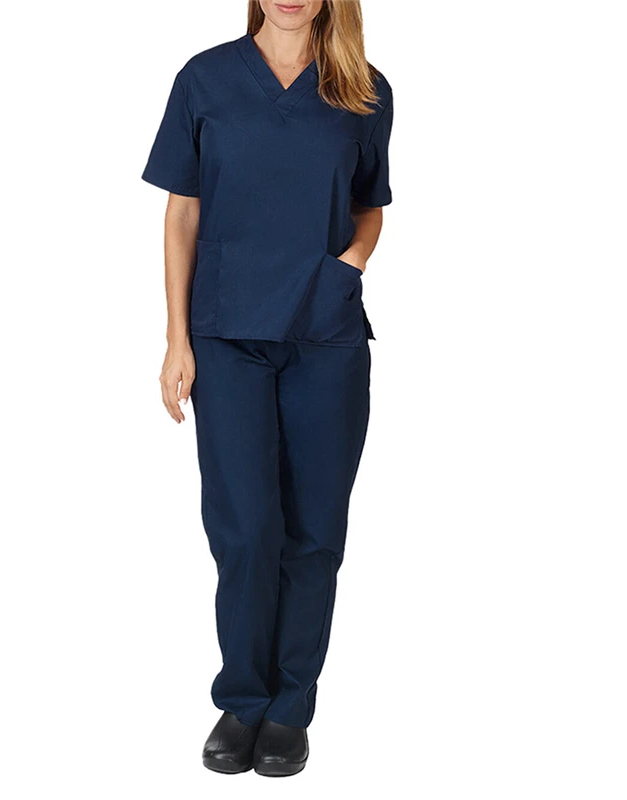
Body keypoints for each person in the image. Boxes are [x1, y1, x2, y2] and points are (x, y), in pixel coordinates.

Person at [141, 0, 393, 777]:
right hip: (227, 335)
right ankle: (244, 700)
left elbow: (370, 208)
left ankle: (290, 708)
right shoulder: (205, 80)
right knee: (246, 529)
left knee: (314, 533)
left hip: (325, 336)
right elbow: (182, 214)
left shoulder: (364, 88)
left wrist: (348, 266)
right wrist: (177, 338)